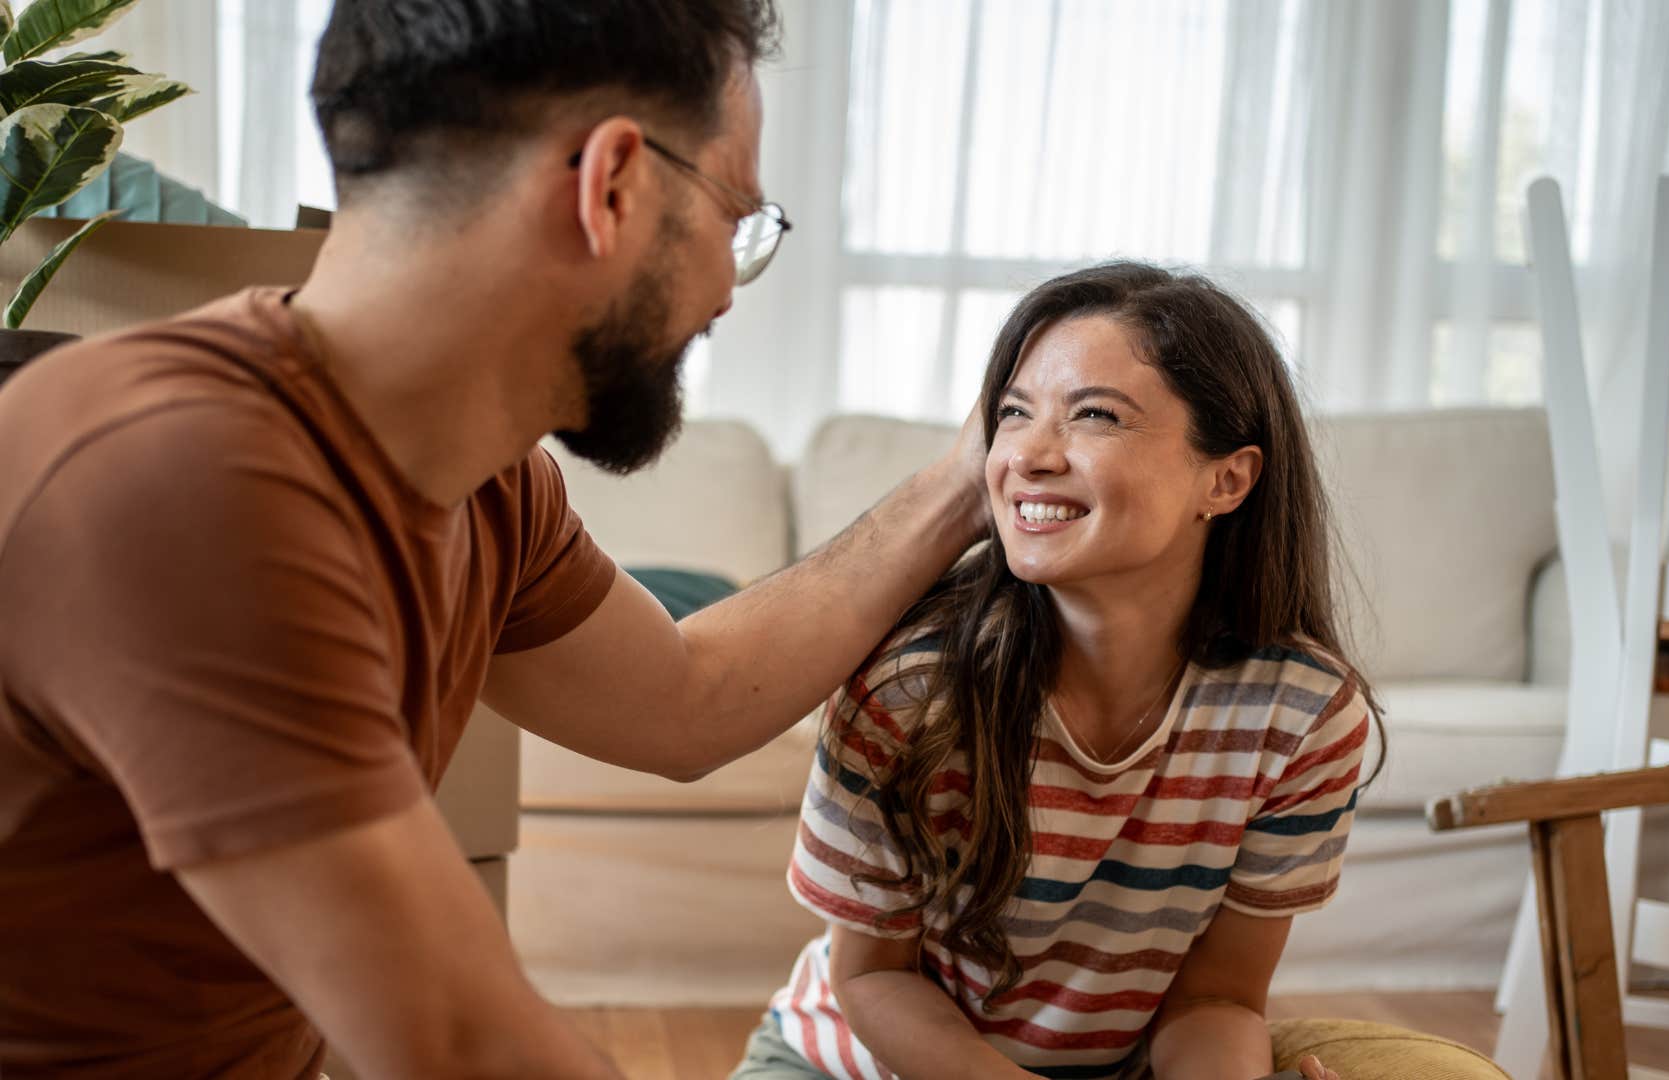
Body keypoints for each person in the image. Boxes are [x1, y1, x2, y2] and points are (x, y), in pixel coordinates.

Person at [0, 2, 988, 1077]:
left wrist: (966, 479)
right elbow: (457, 1043)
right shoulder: (182, 478)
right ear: (610, 186)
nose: (723, 294)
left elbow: (688, 700)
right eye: (733, 221)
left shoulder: (487, 483)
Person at [732, 263, 1379, 1080]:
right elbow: (869, 977)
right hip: (846, 1064)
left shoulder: (1302, 716)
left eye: (1094, 416)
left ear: (1227, 479)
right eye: (1012, 414)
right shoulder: (911, 689)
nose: (1029, 456)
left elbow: (1216, 998)